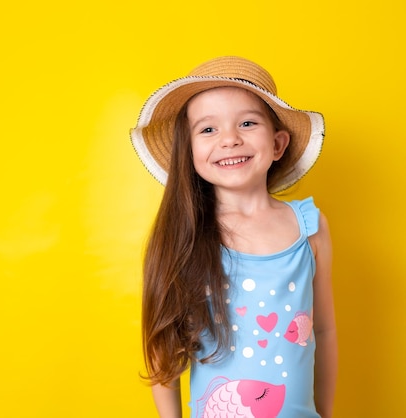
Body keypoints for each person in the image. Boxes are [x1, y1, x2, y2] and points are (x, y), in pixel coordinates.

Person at [130, 56, 337, 418]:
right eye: (208, 130)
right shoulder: (184, 235)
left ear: (277, 144)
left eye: (247, 122)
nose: (230, 139)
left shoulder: (310, 225)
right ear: (190, 151)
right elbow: (163, 348)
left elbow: (324, 330)